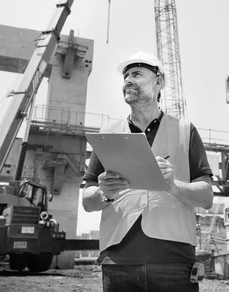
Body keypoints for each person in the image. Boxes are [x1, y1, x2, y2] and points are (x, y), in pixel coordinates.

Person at [82, 51, 214, 292]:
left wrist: (174, 185)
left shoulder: (185, 131)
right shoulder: (108, 135)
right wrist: (103, 193)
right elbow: (87, 202)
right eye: (126, 76)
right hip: (118, 262)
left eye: (137, 74)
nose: (128, 80)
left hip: (174, 261)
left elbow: (206, 197)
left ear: (158, 82)